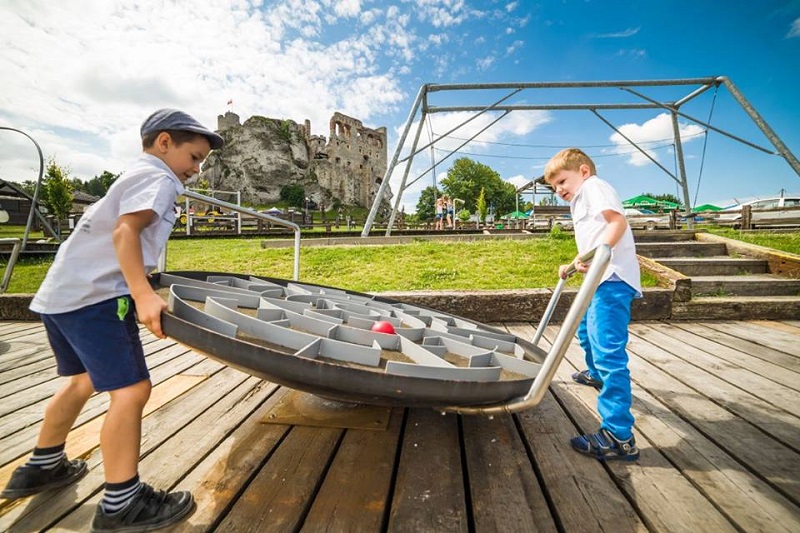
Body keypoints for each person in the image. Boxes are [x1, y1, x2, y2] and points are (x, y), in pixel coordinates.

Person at [0, 109, 224, 530]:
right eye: (194, 157)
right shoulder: (159, 178)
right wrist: (142, 294)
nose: (196, 169)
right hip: (97, 297)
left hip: (62, 295)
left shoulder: (136, 175)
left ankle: (42, 466)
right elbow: (125, 233)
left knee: (82, 380)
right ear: (164, 143)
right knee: (132, 390)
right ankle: (122, 502)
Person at [543, 147, 642, 462]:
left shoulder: (594, 187)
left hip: (612, 280)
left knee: (608, 352)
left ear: (583, 171)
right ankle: (596, 374)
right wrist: (575, 262)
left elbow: (616, 223)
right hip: (598, 278)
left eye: (561, 181)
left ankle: (619, 435)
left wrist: (600, 252)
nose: (558, 190)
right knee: (585, 332)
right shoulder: (580, 199)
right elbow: (594, 238)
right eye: (554, 186)